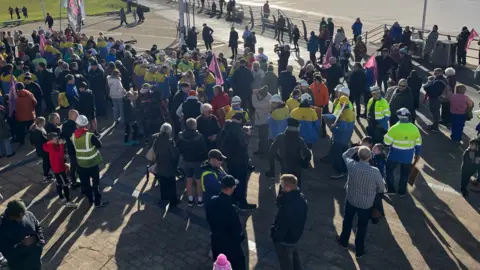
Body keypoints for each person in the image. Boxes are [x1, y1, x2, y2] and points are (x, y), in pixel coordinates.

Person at [337, 146, 385, 258]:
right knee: (362, 227)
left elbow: (345, 155)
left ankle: (343, 241)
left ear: (358, 156)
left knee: (347, 221)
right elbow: (381, 188)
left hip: (351, 200)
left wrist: (355, 148)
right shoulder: (375, 172)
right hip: (366, 204)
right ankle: (359, 250)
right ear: (370, 157)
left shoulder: (352, 165)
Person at [217, 113, 257, 210]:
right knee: (241, 182)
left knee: (232, 180)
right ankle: (242, 203)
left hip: (229, 159)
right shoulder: (238, 130)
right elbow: (243, 145)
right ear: (240, 120)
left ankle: (232, 200)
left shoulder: (225, 127)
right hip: (239, 160)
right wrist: (247, 135)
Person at [206, 175, 246, 270]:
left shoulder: (212, 200)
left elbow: (208, 218)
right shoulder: (231, 209)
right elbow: (236, 230)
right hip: (230, 244)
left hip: (216, 240)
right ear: (230, 188)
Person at [271, 174, 307, 270]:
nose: (281, 188)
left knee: (286, 264)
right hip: (295, 236)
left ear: (287, 186)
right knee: (295, 258)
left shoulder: (287, 206)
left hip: (285, 240)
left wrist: (275, 236)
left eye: (282, 186)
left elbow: (282, 226)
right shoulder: (302, 198)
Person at [71, 115, 108, 208]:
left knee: (86, 184)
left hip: (81, 164)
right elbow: (99, 145)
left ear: (77, 125)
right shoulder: (90, 136)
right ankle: (98, 202)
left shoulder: (73, 136)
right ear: (87, 124)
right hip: (92, 164)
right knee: (96, 184)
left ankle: (90, 200)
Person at [384, 108, 421, 196]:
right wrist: (417, 154)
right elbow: (418, 143)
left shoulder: (394, 128)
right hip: (407, 156)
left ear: (398, 116)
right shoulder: (414, 128)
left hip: (394, 155)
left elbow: (386, 142)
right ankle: (402, 191)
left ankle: (391, 189)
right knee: (404, 174)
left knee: (389, 171)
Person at [0, 200, 45, 270]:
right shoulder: (2, 227)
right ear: (13, 216)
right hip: (20, 266)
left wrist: (40, 239)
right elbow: (7, 253)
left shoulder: (28, 214)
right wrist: (23, 244)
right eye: (22, 215)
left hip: (35, 261)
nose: (24, 215)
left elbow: (38, 226)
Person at [267, 118, 311, 186]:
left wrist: (279, 159)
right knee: (296, 187)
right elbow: (308, 154)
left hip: (285, 167)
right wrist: (304, 164)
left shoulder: (280, 137)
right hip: (297, 168)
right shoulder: (299, 140)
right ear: (297, 128)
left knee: (284, 187)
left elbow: (272, 150)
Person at [177, 118, 208, 207]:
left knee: (189, 180)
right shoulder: (199, 137)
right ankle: (200, 200)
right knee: (199, 181)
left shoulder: (180, 135)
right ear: (195, 125)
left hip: (186, 160)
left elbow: (177, 147)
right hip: (198, 161)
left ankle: (190, 200)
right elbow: (204, 150)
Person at [43, 133, 78, 208]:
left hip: (56, 167)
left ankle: (62, 197)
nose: (58, 140)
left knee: (59, 183)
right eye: (56, 139)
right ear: (52, 140)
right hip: (59, 169)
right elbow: (60, 154)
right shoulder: (52, 146)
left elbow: (47, 147)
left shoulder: (49, 145)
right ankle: (68, 201)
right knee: (65, 184)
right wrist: (62, 145)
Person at [150, 123, 180, 205]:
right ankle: (173, 201)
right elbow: (174, 155)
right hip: (169, 166)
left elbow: (155, 151)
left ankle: (164, 199)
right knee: (171, 184)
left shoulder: (157, 139)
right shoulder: (170, 142)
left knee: (163, 184)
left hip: (160, 165)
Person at [61, 110, 81, 188]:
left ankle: (73, 181)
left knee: (73, 165)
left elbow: (62, 136)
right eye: (77, 115)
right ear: (72, 116)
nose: (77, 117)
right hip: (77, 148)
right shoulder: (75, 125)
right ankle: (77, 182)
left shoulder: (64, 125)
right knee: (78, 165)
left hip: (70, 148)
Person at [15, 82, 37, 147]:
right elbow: (35, 102)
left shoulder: (15, 95)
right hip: (30, 115)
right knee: (31, 130)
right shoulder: (29, 93)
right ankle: (32, 143)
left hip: (20, 117)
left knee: (21, 131)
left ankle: (21, 142)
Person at [252, 86, 271, 155]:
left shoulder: (265, 103)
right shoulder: (268, 97)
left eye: (259, 96)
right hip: (264, 120)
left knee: (263, 138)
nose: (258, 97)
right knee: (263, 137)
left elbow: (255, 104)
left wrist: (254, 95)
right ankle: (263, 150)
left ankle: (263, 151)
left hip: (263, 122)